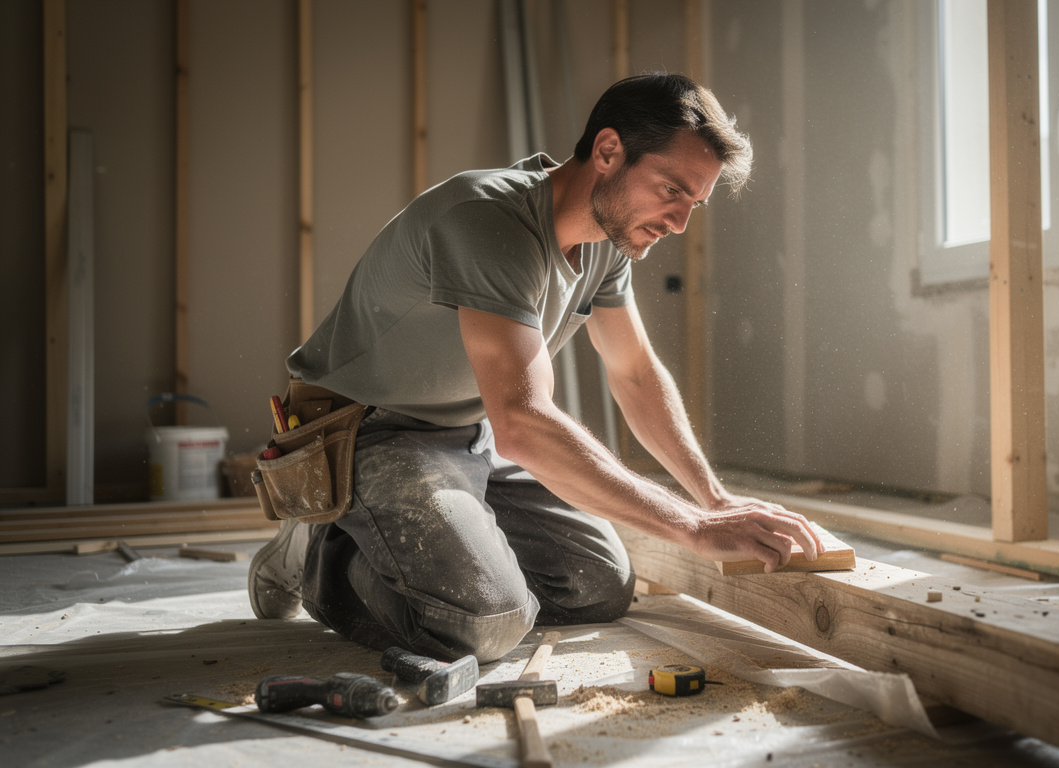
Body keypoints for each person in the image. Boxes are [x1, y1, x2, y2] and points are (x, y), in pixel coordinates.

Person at [248, 73, 823, 663]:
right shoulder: (488, 219)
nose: (678, 223)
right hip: (363, 431)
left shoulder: (607, 242)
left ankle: (429, 548)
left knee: (597, 585)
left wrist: (712, 499)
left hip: (467, 430)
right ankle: (321, 547)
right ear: (608, 151)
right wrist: (693, 529)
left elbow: (634, 372)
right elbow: (523, 423)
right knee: (486, 623)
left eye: (693, 205)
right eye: (670, 190)